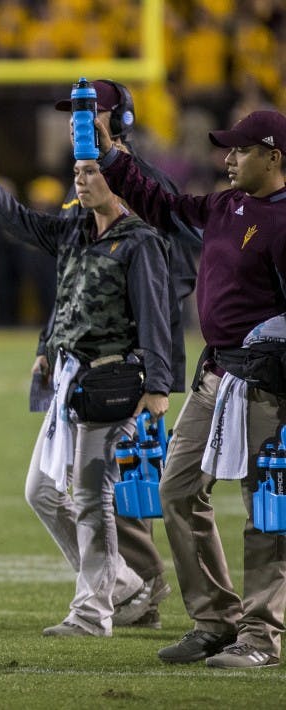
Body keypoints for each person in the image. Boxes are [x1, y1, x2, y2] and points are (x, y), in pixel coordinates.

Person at [0, 127, 173, 637]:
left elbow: (157, 318)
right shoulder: (73, 227)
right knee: (43, 492)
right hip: (71, 383)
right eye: (78, 167)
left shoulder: (140, 241)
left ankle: (92, 612)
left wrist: (157, 388)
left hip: (112, 381)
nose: (81, 174)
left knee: (92, 499)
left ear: (119, 179)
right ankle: (121, 582)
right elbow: (17, 221)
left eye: (93, 168)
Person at [97, 109, 286, 668]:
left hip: (268, 386)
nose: (227, 159)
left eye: (241, 150)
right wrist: (113, 158)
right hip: (215, 379)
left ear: (274, 157)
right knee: (176, 490)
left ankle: (260, 636)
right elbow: (165, 206)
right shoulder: (228, 205)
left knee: (266, 511)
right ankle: (215, 620)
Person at [31, 79, 204, 629]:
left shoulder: (142, 184)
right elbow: (75, 280)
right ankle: (127, 586)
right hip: (86, 362)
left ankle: (137, 589)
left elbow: (171, 275)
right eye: (75, 112)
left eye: (88, 111)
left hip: (128, 362)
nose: (76, 121)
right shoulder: (86, 182)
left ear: (116, 118)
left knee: (114, 484)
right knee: (84, 487)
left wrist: (140, 347)